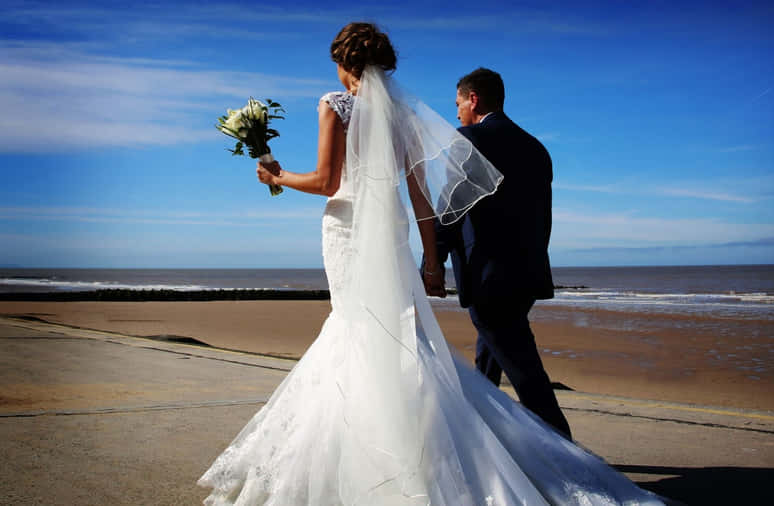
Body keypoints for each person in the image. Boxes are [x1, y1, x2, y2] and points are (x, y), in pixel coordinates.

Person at [198, 22, 666, 506]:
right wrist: (431, 263)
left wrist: (275, 174)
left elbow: (326, 181)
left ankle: (375, 456)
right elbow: (422, 197)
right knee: (401, 338)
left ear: (344, 64)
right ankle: (459, 446)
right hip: (399, 234)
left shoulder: (332, 105)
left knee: (356, 330)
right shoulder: (404, 115)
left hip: (347, 229)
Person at [432, 67, 571, 440]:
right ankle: (488, 441)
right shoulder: (536, 148)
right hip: (527, 274)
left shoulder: (470, 138)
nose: (457, 111)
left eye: (458, 103)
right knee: (488, 363)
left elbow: (453, 203)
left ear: (473, 99)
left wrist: (435, 258)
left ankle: (567, 453)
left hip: (489, 276)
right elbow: (543, 217)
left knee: (526, 373)